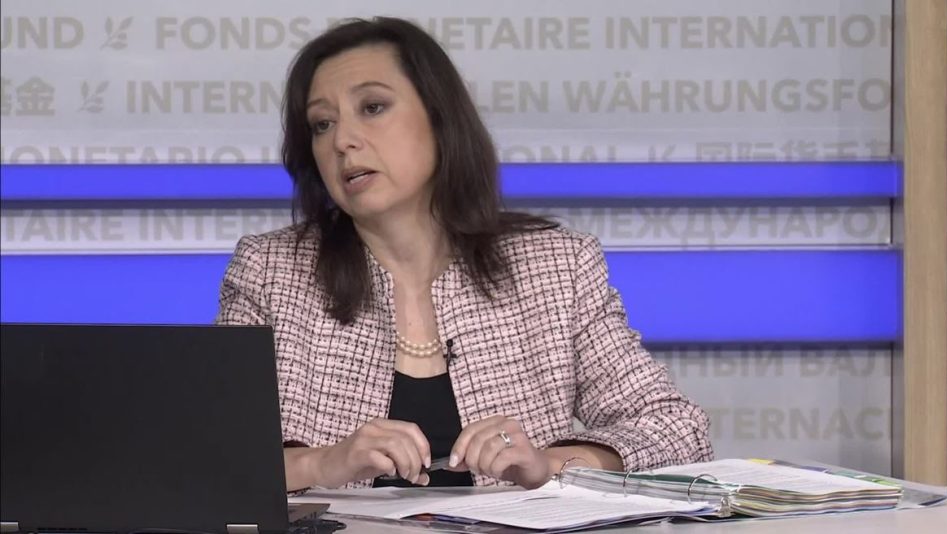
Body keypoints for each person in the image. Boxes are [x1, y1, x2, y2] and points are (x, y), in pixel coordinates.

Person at [216, 16, 713, 492]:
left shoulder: (557, 265)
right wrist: (321, 463)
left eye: (373, 107)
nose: (343, 141)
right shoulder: (270, 270)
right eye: (322, 124)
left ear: (439, 118)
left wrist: (549, 466)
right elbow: (207, 458)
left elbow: (678, 429)